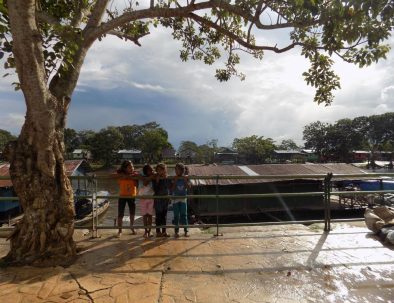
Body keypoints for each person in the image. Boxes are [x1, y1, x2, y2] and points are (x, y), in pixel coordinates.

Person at [115, 160, 138, 237]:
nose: (132, 168)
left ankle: (132, 227)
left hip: (132, 196)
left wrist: (129, 177)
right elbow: (111, 175)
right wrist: (123, 176)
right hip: (122, 196)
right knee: (120, 214)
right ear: (125, 168)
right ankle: (120, 231)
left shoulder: (135, 174)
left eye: (132, 166)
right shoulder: (120, 174)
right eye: (129, 167)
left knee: (132, 213)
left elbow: (140, 178)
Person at [171, 163, 191, 238]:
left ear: (182, 170)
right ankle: (176, 232)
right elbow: (172, 189)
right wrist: (175, 181)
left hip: (183, 199)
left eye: (177, 169)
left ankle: (186, 231)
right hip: (175, 199)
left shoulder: (186, 177)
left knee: (184, 215)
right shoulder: (174, 178)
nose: (176, 171)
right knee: (176, 216)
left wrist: (185, 180)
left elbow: (189, 187)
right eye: (175, 169)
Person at [153, 163, 171, 237]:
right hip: (158, 199)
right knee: (158, 215)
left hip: (165, 198)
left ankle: (164, 231)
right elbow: (155, 189)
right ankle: (158, 231)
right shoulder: (155, 178)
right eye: (158, 170)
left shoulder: (167, 178)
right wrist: (157, 181)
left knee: (164, 215)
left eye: (162, 170)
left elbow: (169, 187)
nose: (160, 171)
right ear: (156, 170)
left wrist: (166, 178)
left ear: (165, 170)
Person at [139, 164, 155, 239]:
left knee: (150, 215)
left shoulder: (153, 176)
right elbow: (145, 183)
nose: (151, 171)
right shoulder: (142, 177)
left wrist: (152, 176)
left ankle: (150, 230)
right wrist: (150, 177)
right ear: (145, 171)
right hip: (143, 198)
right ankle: (145, 231)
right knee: (145, 215)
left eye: (152, 170)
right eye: (149, 170)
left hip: (151, 198)